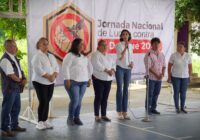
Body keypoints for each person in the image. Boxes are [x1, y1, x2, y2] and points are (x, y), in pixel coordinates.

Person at [62, 38, 93, 126]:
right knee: (75, 100)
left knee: (79, 101)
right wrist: (67, 79)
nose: (83, 46)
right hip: (72, 81)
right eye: (81, 44)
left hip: (83, 82)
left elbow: (89, 68)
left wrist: (89, 78)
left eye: (83, 44)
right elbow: (65, 67)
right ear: (76, 45)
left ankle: (77, 118)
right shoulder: (70, 55)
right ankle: (70, 118)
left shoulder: (84, 56)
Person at [0, 39, 27, 137]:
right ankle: (4, 128)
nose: (14, 48)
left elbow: (20, 70)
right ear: (6, 47)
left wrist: (24, 78)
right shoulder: (5, 59)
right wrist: (21, 81)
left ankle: (14, 125)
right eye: (11, 46)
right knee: (7, 109)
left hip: (15, 88)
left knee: (16, 107)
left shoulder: (14, 57)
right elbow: (11, 75)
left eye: (15, 46)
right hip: (9, 89)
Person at [31, 37, 59, 130]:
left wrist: (54, 75)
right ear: (39, 45)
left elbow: (56, 67)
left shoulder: (51, 56)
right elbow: (38, 69)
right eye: (44, 44)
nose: (46, 46)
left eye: (47, 44)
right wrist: (49, 77)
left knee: (48, 100)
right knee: (43, 101)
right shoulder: (37, 56)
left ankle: (45, 120)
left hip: (51, 82)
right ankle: (39, 122)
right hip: (39, 82)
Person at [91, 40, 115, 122]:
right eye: (103, 45)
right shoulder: (95, 55)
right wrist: (107, 70)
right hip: (98, 78)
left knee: (105, 98)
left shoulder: (109, 56)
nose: (105, 47)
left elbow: (113, 64)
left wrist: (112, 70)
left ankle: (104, 115)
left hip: (108, 79)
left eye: (106, 45)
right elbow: (97, 65)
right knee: (99, 97)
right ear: (98, 46)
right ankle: (97, 115)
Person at [167, 42, 192, 114]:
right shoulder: (173, 55)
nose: (179, 48)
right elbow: (169, 66)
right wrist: (169, 76)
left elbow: (190, 67)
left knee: (183, 93)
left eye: (181, 47)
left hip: (185, 77)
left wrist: (190, 76)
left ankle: (182, 107)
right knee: (176, 92)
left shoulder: (188, 56)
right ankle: (177, 108)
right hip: (175, 77)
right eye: (178, 46)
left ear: (184, 48)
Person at [144, 37, 166, 115]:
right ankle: (148, 109)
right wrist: (156, 75)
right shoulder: (149, 54)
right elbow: (148, 67)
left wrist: (162, 74)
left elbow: (164, 66)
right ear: (151, 45)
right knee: (150, 94)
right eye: (155, 44)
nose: (156, 45)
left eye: (158, 44)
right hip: (151, 78)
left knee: (156, 93)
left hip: (159, 78)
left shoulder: (162, 54)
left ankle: (153, 108)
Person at [115, 29, 134, 120]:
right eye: (123, 34)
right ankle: (119, 112)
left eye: (127, 34)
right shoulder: (119, 45)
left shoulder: (131, 46)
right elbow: (120, 57)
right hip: (120, 68)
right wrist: (125, 47)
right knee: (120, 89)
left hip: (128, 69)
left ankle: (125, 111)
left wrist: (132, 63)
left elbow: (131, 57)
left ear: (129, 36)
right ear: (121, 36)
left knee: (126, 90)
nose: (125, 36)